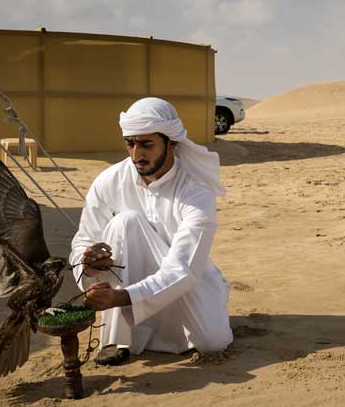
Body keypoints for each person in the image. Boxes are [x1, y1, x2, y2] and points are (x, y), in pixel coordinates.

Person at [70, 97, 233, 365]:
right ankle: (116, 338)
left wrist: (120, 297)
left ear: (171, 143)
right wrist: (87, 265)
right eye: (130, 143)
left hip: (183, 280)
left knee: (212, 342)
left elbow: (183, 268)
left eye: (146, 144)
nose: (136, 154)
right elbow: (84, 240)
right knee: (126, 222)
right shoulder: (109, 181)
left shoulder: (195, 190)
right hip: (123, 288)